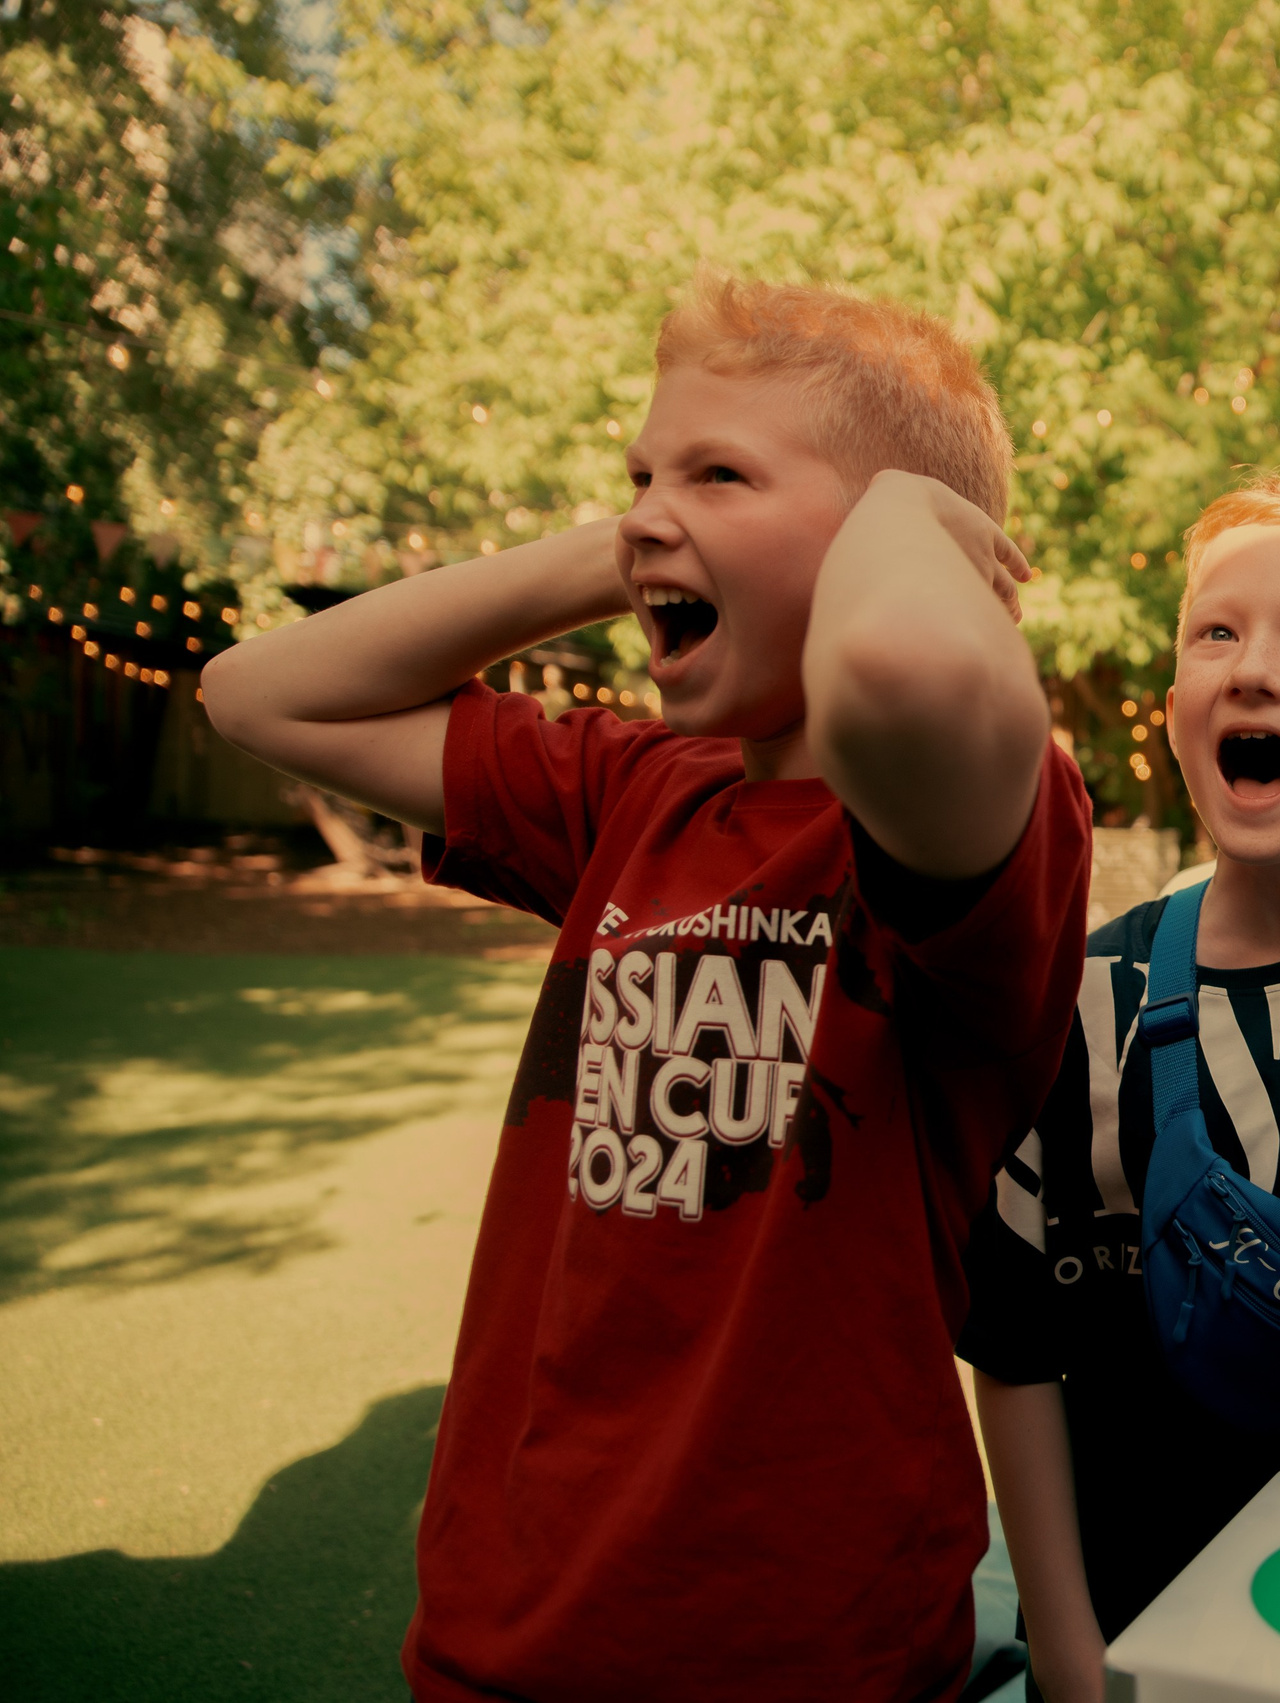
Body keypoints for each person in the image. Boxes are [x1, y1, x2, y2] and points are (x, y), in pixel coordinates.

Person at [200, 273, 1092, 1703]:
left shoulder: (979, 811)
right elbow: (258, 695)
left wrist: (909, 516)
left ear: (885, 535)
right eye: (639, 471)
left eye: (721, 470)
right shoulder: (632, 787)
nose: (645, 508)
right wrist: (630, 547)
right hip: (510, 1625)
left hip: (804, 1648)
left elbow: (899, 664)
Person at [960, 472, 1280, 1703]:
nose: (1251, 665)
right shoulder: (1080, 997)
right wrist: (1071, 1659)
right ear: (1175, 706)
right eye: (1215, 630)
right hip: (1126, 1642)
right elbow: (1018, 1352)